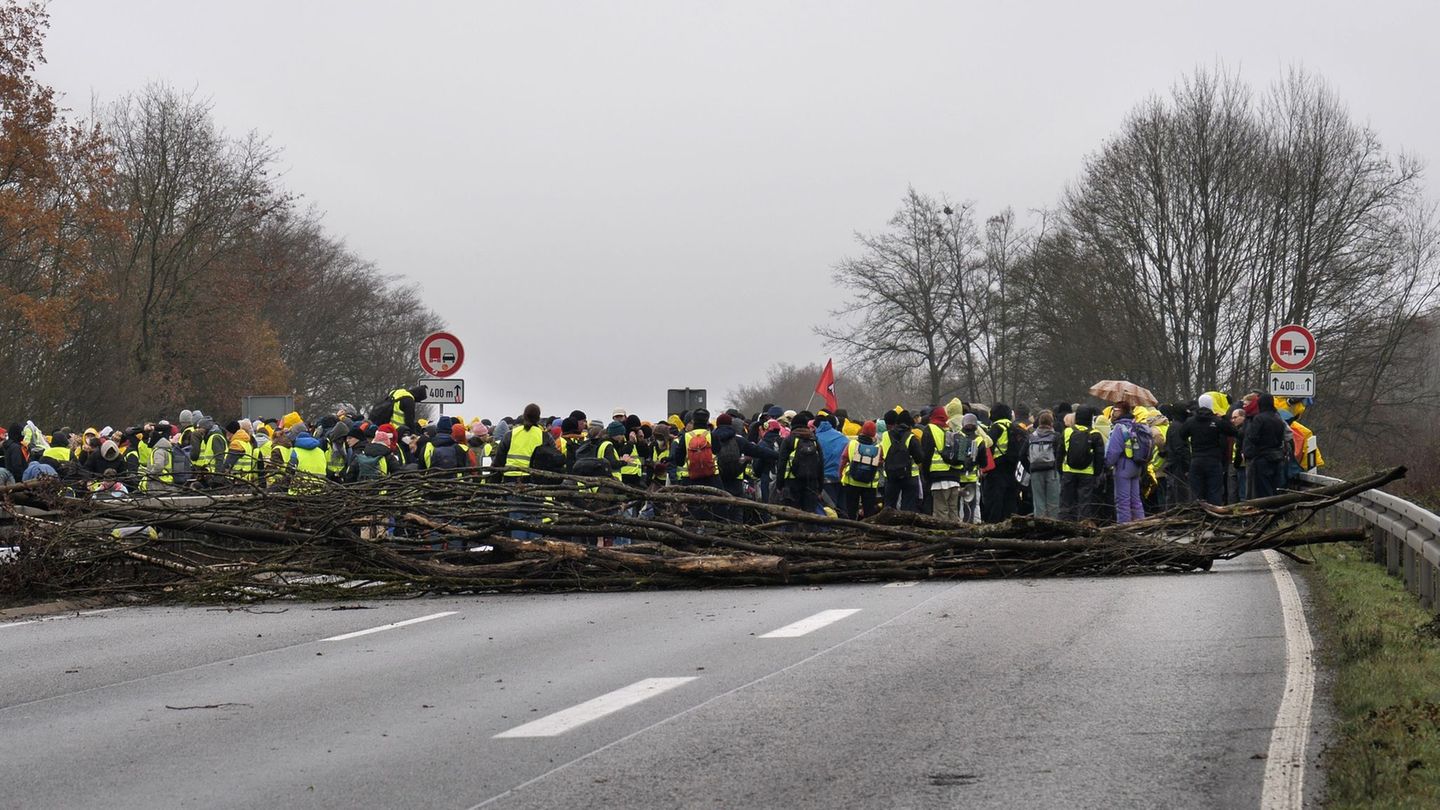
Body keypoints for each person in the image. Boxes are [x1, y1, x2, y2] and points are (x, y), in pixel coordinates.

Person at [1169, 394, 1239, 505]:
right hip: (1213, 461)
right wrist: (1224, 418)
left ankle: (1197, 516)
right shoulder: (1216, 421)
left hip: (1197, 460)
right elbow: (1233, 431)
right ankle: (1214, 517)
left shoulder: (1191, 422)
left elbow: (1182, 435)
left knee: (1197, 494)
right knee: (1214, 492)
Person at [1104, 402, 1153, 523]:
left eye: (1115, 409)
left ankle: (1124, 528)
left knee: (1123, 501)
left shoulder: (1119, 428)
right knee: (1136, 499)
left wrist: (1106, 464)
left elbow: (1114, 451)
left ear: (1120, 411)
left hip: (1123, 467)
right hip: (1137, 466)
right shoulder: (1136, 425)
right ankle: (1141, 525)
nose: (1112, 412)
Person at [1060, 405, 1104, 521]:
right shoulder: (1095, 433)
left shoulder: (1067, 431)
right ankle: (1083, 528)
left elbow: (1059, 452)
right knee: (1084, 504)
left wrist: (1060, 470)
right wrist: (1097, 473)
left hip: (1068, 471)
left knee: (1066, 502)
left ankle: (1064, 527)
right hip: (1087, 473)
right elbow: (1099, 456)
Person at [982, 404, 1024, 522]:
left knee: (994, 500)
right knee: (1010, 499)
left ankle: (993, 526)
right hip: (1013, 469)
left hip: (997, 469)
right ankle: (1010, 524)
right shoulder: (1016, 428)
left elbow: (988, 446)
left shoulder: (996, 427)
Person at [776, 411, 824, 515]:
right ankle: (810, 531)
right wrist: (820, 487)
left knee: (792, 515)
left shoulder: (789, 440)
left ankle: (792, 531)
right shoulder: (814, 440)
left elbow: (781, 464)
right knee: (810, 516)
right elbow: (821, 464)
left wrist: (779, 485)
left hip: (792, 484)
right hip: (811, 483)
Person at [920, 406, 961, 521]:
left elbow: (926, 456)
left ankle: (944, 537)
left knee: (941, 512)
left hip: (939, 479)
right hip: (955, 478)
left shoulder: (930, 429)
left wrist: (926, 476)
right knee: (953, 512)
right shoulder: (951, 430)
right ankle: (958, 535)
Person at [1243, 395, 1289, 499]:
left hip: (1262, 457)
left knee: (1263, 490)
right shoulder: (1278, 418)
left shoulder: (1259, 418)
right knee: (1275, 488)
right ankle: (1276, 511)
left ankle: (1266, 512)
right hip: (1277, 457)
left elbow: (1252, 436)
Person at [880, 409, 923, 512]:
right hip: (909, 476)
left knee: (889, 507)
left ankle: (887, 526)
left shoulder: (885, 435)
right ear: (910, 425)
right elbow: (920, 458)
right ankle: (905, 527)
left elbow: (881, 453)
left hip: (890, 476)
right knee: (908, 507)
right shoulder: (911, 437)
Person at [839, 421, 883, 519]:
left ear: (862, 431)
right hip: (869, 484)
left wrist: (840, 475)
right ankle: (867, 531)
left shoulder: (852, 443)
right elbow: (881, 462)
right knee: (869, 512)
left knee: (851, 510)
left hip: (852, 482)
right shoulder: (877, 447)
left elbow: (843, 459)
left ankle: (851, 529)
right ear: (874, 433)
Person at [1026, 410, 1062, 519]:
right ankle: (1054, 524)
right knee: (1053, 501)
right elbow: (1060, 453)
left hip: (1035, 471)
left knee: (1038, 501)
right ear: (1051, 423)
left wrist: (1030, 467)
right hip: (1052, 471)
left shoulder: (1031, 436)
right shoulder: (1056, 436)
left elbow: (1022, 454)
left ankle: (1040, 525)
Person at [814, 412, 851, 515]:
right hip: (842, 479)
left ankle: (830, 530)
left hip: (825, 480)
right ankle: (847, 529)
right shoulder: (842, 437)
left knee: (829, 510)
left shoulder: (816, 438)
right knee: (843, 509)